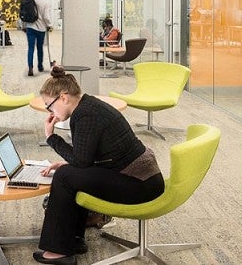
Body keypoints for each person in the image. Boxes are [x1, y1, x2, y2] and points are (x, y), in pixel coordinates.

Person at [34, 66, 165, 264]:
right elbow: (85, 158)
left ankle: (59, 251)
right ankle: (73, 240)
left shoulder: (85, 115)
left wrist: (51, 137)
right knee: (68, 172)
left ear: (63, 97)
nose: (49, 111)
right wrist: (66, 162)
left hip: (140, 185)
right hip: (142, 178)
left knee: (65, 177)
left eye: (49, 105)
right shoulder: (88, 106)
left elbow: (82, 162)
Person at [25, 0, 53, 77]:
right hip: (41, 29)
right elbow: (46, 16)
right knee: (40, 47)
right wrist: (50, 25)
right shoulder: (45, 1)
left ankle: (30, 67)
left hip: (30, 27)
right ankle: (40, 66)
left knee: (31, 48)